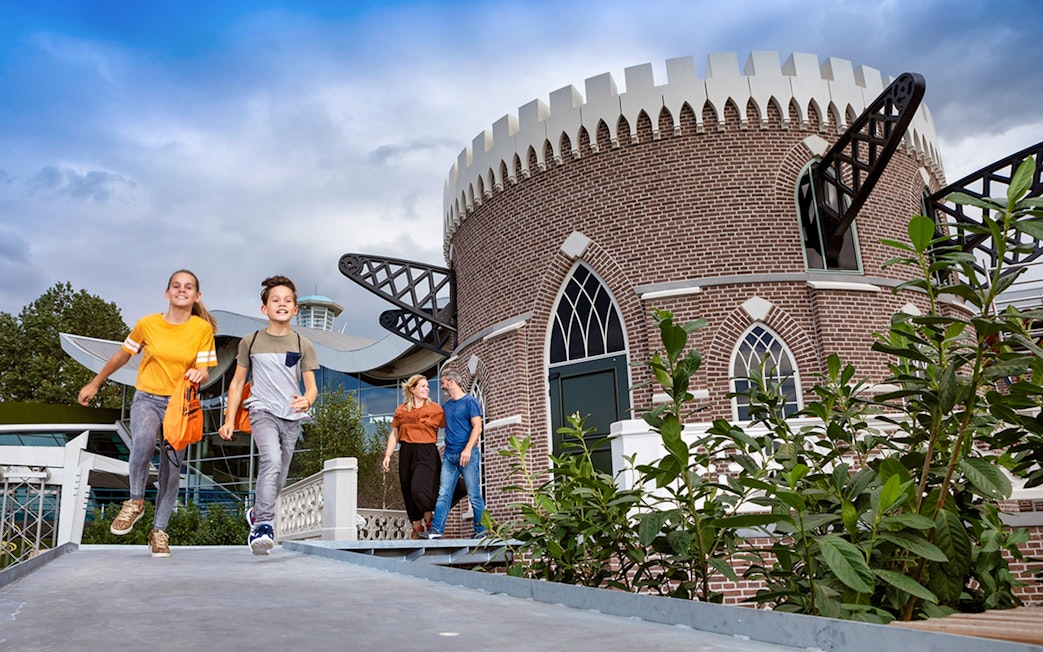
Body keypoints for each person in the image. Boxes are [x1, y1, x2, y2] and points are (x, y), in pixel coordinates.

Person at [77, 270, 218, 558]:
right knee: (142, 442)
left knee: (171, 467)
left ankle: (159, 532)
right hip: (147, 398)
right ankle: (135, 502)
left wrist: (199, 373)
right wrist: (95, 382)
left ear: (197, 296)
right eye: (176, 286)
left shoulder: (202, 330)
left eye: (188, 287)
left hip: (181, 404)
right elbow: (122, 355)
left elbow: (205, 369)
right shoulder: (147, 324)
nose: (182, 290)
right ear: (167, 293)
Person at [218, 275, 319, 555]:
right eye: (275, 300)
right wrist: (228, 419)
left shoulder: (303, 344)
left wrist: (306, 401)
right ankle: (263, 525)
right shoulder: (250, 342)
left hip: (291, 417)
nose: (282, 304)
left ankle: (255, 512)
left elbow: (311, 388)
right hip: (261, 410)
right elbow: (237, 383)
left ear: (296, 309)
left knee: (281, 475)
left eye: (288, 300)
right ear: (264, 309)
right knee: (271, 460)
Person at [422, 370, 486, 539]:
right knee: (443, 494)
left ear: (451, 382)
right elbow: (439, 423)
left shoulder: (470, 402)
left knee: (474, 494)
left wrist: (467, 449)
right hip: (449, 456)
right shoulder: (447, 405)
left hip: (467, 455)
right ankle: (436, 531)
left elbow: (477, 427)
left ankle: (481, 531)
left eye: (443, 383)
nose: (442, 386)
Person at [382, 374, 445, 538]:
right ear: (412, 389)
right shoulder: (401, 410)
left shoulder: (436, 409)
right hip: (406, 452)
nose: (427, 389)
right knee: (408, 490)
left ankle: (430, 518)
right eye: (423, 386)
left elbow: (450, 426)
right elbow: (394, 434)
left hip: (427, 452)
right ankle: (417, 529)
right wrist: (388, 455)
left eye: (427, 386)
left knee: (419, 488)